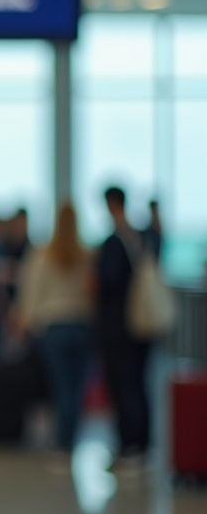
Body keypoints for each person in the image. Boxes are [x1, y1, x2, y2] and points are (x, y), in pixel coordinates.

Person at [14, 203, 93, 472]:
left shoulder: (42, 255)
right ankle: (70, 441)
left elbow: (31, 294)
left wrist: (28, 324)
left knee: (61, 388)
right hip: (81, 326)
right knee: (76, 388)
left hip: (53, 327)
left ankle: (62, 447)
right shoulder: (86, 254)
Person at [94, 186, 152, 476]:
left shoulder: (115, 241)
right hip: (142, 324)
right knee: (138, 385)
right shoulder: (140, 236)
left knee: (123, 385)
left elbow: (108, 280)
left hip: (120, 327)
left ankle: (130, 447)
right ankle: (141, 445)